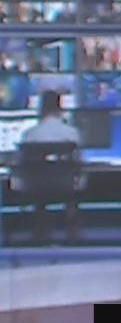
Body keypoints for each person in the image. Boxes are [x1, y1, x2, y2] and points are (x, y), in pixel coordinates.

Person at [18, 90, 83, 244]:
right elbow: (79, 162)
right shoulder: (71, 133)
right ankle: (72, 228)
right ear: (60, 108)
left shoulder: (29, 134)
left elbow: (22, 164)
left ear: (41, 109)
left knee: (38, 183)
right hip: (66, 186)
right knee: (74, 182)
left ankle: (40, 229)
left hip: (36, 187)